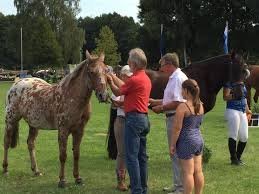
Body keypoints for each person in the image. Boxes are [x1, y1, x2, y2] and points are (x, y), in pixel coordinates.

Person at [107, 48, 151, 194]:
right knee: (141, 157)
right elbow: (126, 89)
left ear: (134, 63)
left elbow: (118, 92)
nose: (128, 62)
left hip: (133, 119)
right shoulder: (144, 78)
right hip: (144, 118)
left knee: (131, 157)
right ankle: (143, 188)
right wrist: (114, 77)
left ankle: (137, 190)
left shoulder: (134, 79)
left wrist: (110, 81)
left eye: (129, 60)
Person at [150, 53, 187, 194]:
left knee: (176, 152)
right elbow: (171, 99)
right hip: (172, 116)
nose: (161, 68)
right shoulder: (175, 77)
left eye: (162, 65)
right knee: (174, 153)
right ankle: (178, 184)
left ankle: (181, 188)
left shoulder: (177, 78)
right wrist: (156, 101)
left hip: (175, 117)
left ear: (170, 64)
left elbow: (178, 102)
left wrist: (162, 108)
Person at [170, 79, 205, 194]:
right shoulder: (200, 105)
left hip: (186, 141)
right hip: (198, 139)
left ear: (186, 90)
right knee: (198, 171)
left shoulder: (183, 107)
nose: (181, 91)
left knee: (188, 172)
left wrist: (172, 144)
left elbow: (177, 129)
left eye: (182, 89)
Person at [112, 65, 133, 191]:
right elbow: (115, 103)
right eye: (126, 76)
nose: (128, 78)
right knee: (122, 153)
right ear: (122, 76)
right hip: (121, 121)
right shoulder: (119, 89)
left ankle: (134, 178)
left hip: (132, 120)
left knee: (133, 153)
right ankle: (121, 180)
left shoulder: (132, 87)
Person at [223, 78, 252, 165]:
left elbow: (244, 97)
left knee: (244, 136)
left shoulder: (242, 82)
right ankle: (234, 159)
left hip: (242, 111)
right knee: (233, 134)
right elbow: (225, 97)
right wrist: (234, 95)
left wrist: (248, 109)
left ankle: (238, 157)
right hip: (232, 110)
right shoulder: (229, 82)